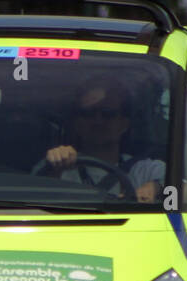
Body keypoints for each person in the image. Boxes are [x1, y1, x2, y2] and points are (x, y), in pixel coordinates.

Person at [37, 82, 165, 202]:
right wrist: (55, 171)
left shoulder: (147, 170)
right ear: (76, 122)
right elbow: (34, 204)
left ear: (124, 124)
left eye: (108, 114)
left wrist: (156, 187)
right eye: (88, 113)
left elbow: (181, 186)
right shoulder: (52, 166)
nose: (98, 121)